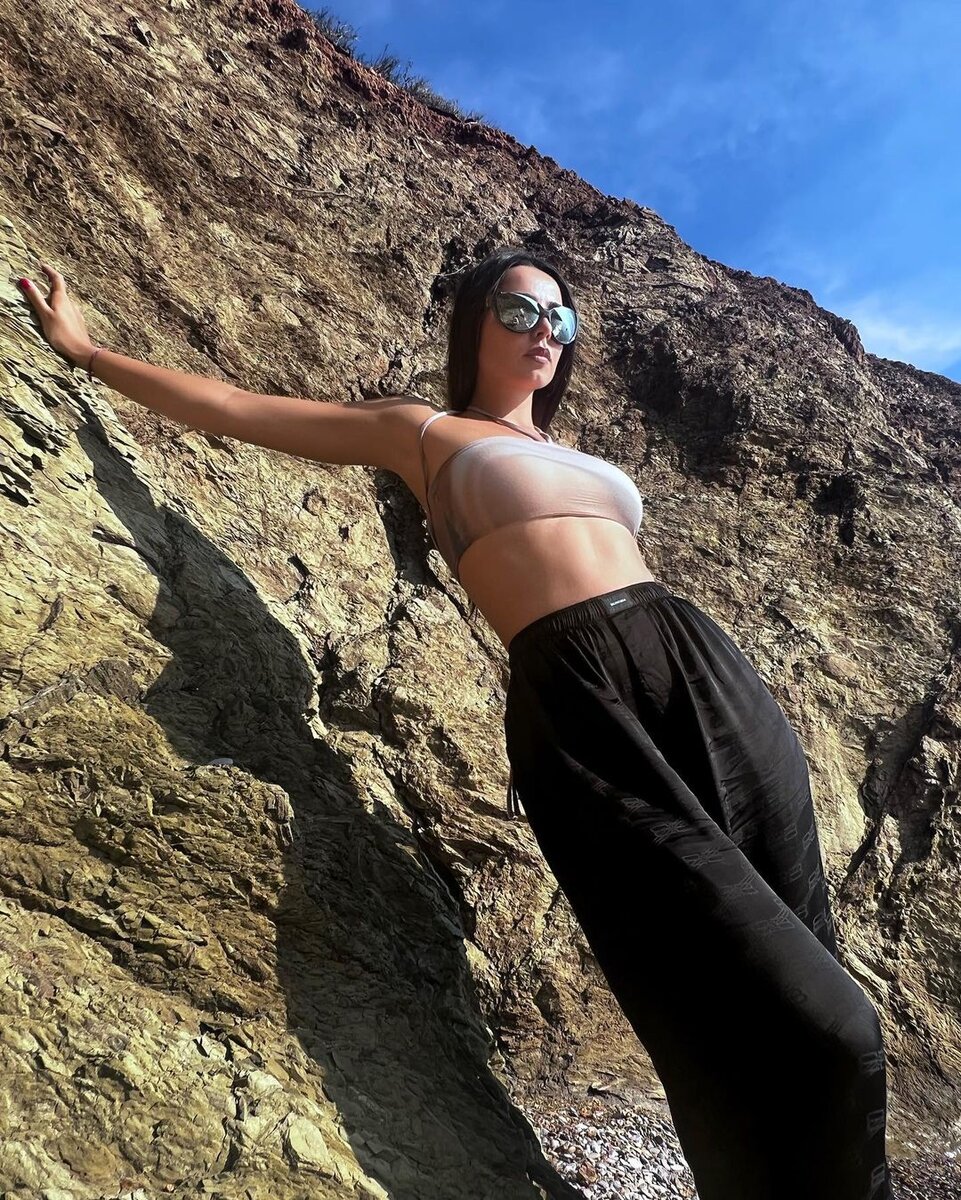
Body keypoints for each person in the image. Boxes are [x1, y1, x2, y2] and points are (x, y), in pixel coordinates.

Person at [19, 250, 893, 1199]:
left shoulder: (575, 454)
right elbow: (238, 408)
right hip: (577, 699)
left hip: (703, 675)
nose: (544, 332)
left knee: (802, 949)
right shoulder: (423, 431)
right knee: (808, 1019)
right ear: (475, 318)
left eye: (560, 319)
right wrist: (88, 353)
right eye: (521, 310)